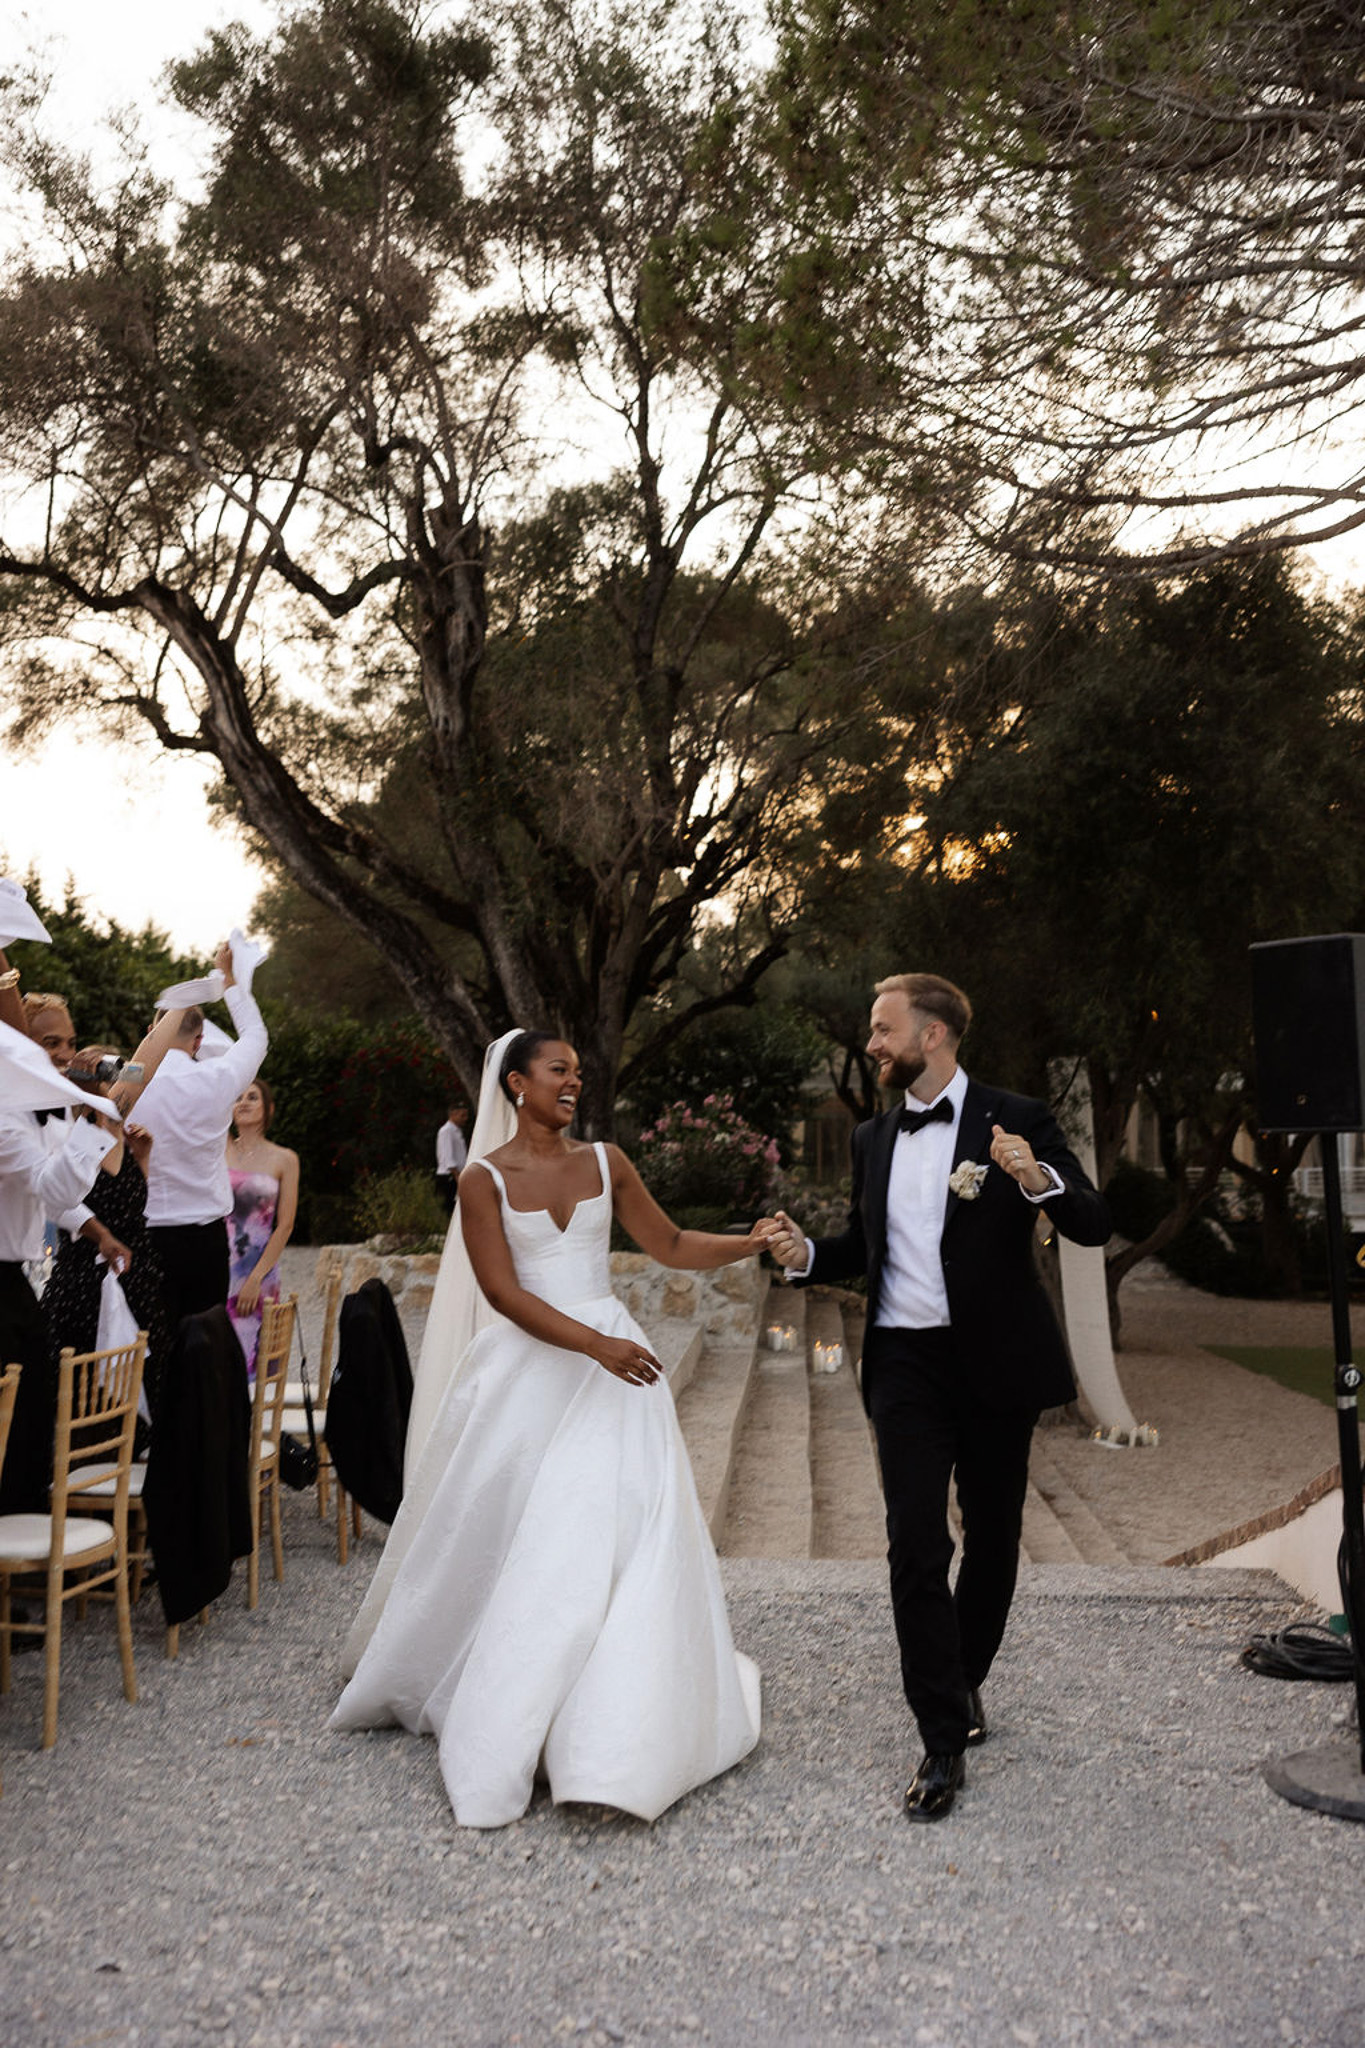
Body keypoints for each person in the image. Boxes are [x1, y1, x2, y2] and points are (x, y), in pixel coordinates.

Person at [332, 1027, 777, 1829]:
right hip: (534, 1368)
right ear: (515, 1084)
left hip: (615, 1369)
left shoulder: (607, 1162)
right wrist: (595, 1344)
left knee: (624, 1527)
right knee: (525, 1537)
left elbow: (669, 1243)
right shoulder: (481, 1180)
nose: (574, 1081)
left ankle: (615, 1713)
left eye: (578, 1070)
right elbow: (503, 1294)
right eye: (557, 1070)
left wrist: (749, 1242)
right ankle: (507, 1695)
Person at [769, 973, 1111, 1822]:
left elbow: (1094, 1224)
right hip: (905, 1369)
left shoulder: (1017, 1116)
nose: (871, 1044)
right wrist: (805, 1252)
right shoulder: (872, 1138)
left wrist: (1037, 1178)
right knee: (914, 1539)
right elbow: (866, 1244)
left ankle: (964, 1679)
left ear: (933, 1036)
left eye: (883, 1029)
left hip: (993, 1364)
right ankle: (940, 1735)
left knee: (992, 1536)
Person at [0, 1004, 128, 1513]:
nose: (64, 1053)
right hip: (2, 1281)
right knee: (17, 1410)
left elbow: (58, 1199)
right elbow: (53, 1182)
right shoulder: (8, 1118)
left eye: (68, 1042)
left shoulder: (44, 1109)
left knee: (34, 1404)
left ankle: (26, 1525)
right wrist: (96, 1117)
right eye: (49, 1042)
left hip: (13, 1281)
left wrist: (100, 1234)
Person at [134, 942, 268, 1334]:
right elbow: (255, 1036)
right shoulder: (218, 1077)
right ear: (198, 1042)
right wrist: (229, 982)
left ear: (150, 1035)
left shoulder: (128, 1083)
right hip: (206, 1240)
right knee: (204, 1350)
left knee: (154, 1348)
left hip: (148, 1235)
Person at [42, 1044, 171, 1416]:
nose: (115, 1081)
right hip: (88, 1279)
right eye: (106, 1073)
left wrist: (143, 1159)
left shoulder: (125, 1136)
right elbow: (63, 1202)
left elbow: (132, 1209)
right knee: (84, 1395)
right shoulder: (73, 1136)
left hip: (139, 1278)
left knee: (145, 1386)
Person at [224, 1078, 299, 1377]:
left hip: (257, 1268)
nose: (243, 1102)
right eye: (238, 1097)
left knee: (251, 1354)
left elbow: (286, 1225)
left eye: (252, 1097)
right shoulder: (219, 1148)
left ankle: (253, 1422)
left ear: (269, 1109)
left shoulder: (285, 1158)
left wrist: (255, 1278)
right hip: (217, 1262)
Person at [433, 1101, 468, 1213]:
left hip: (457, 1174)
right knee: (450, 1207)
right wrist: (457, 1176)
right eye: (462, 1115)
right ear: (453, 1115)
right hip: (449, 1176)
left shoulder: (456, 1131)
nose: (465, 1118)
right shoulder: (446, 1131)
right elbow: (448, 1156)